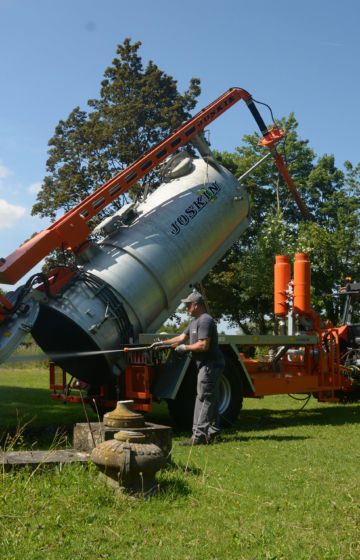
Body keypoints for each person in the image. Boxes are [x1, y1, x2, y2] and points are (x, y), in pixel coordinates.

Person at [161, 290, 225, 446]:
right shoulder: (193, 322)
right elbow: (181, 338)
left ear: (196, 305)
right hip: (205, 364)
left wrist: (185, 348)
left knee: (203, 397)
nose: (186, 308)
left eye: (188, 305)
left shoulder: (205, 320)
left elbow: (203, 345)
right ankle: (214, 433)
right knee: (212, 398)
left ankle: (198, 436)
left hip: (211, 364)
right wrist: (163, 343)